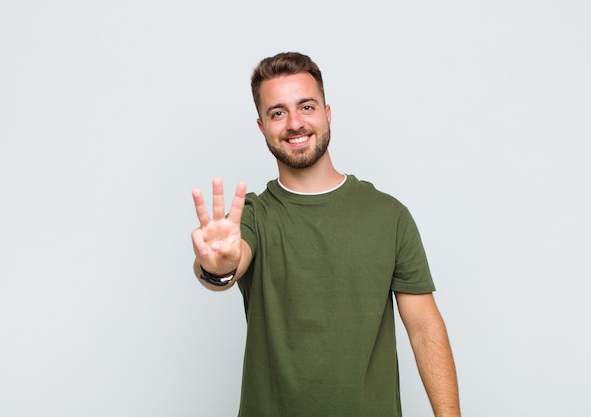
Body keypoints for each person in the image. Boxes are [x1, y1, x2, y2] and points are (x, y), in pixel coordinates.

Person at [191, 52, 461, 417]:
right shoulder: (255, 215)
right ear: (262, 127)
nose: (294, 123)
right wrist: (216, 266)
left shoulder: (388, 216)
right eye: (278, 112)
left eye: (306, 106)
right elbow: (229, 261)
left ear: (327, 113)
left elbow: (425, 327)